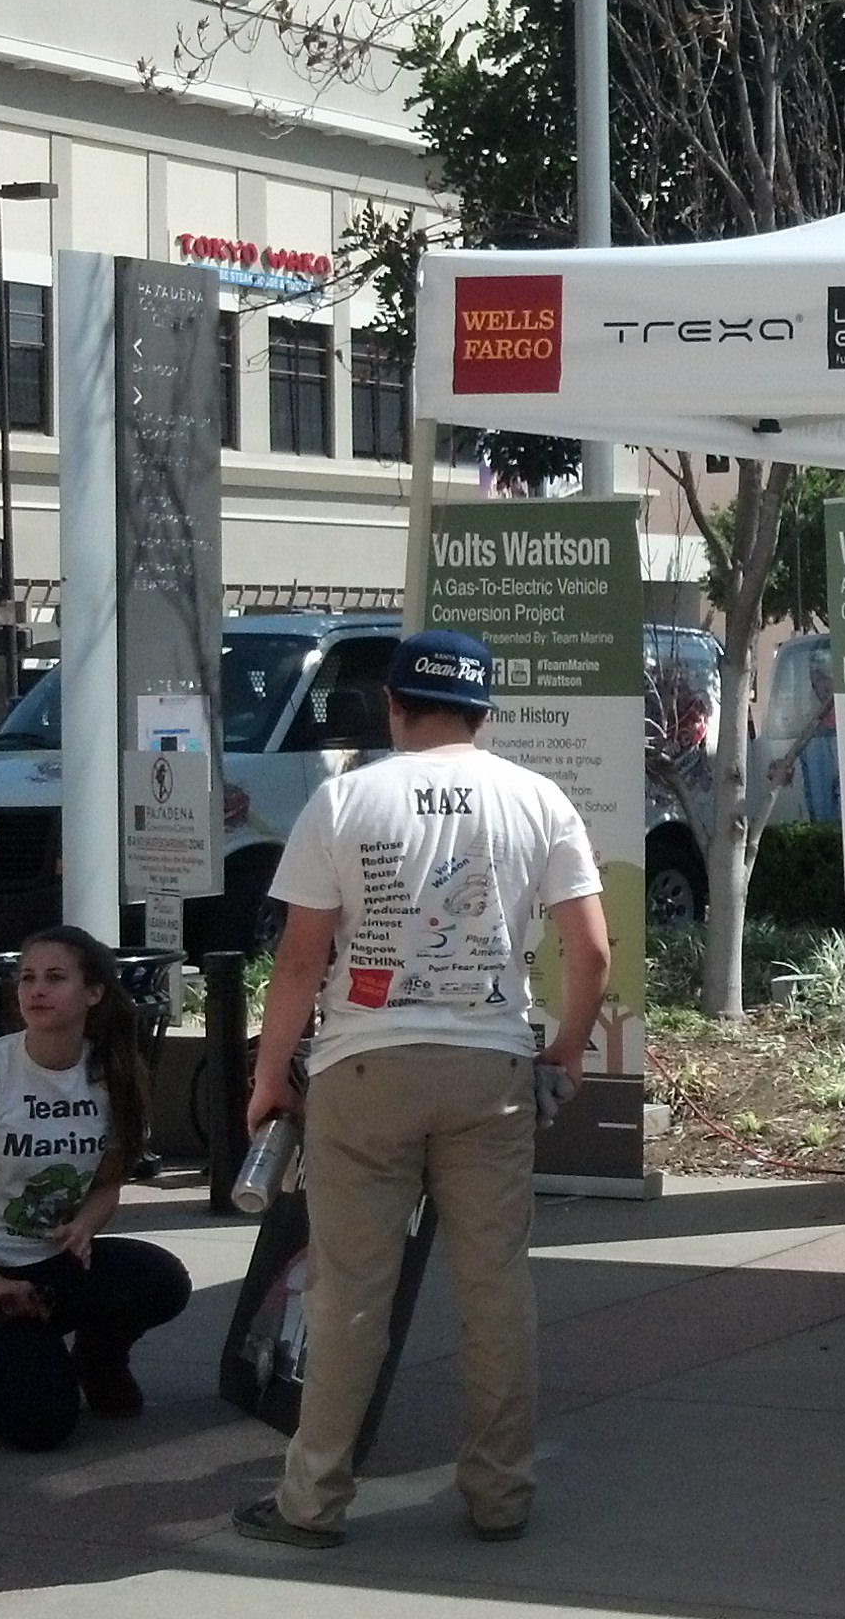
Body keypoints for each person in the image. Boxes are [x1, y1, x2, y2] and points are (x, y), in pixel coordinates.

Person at [233, 630, 610, 1549]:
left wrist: (270, 1075)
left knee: (350, 1292)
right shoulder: (538, 799)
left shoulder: (345, 799)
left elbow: (299, 958)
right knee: (495, 1289)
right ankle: (500, 1496)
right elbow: (593, 951)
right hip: (490, 1068)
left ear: (393, 704)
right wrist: (564, 1051)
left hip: (363, 1069)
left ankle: (313, 1501)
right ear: (483, 713)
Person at [0, 925, 193, 1451]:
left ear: (94, 993)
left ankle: (95, 1357)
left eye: (56, 978)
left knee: (162, 1280)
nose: (36, 990)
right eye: (28, 978)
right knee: (41, 1426)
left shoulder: (113, 1075)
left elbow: (107, 1185)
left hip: (57, 1269)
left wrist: (85, 1225)